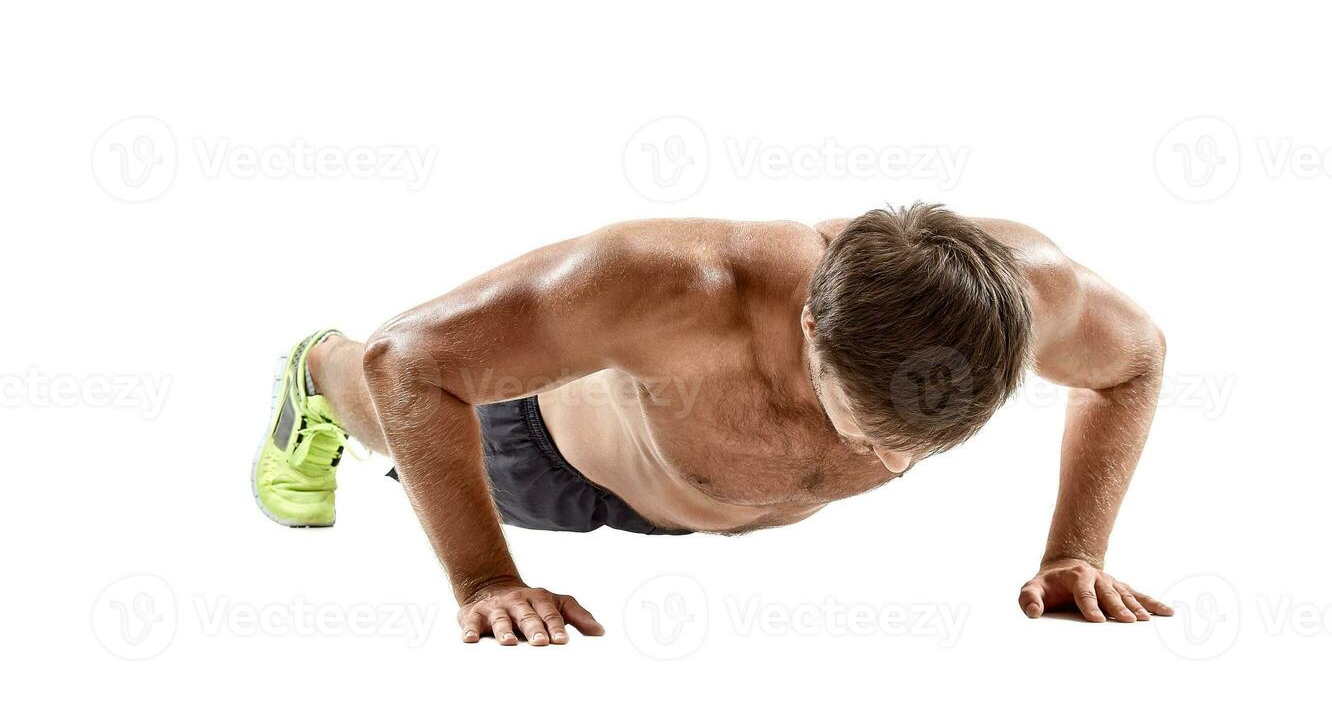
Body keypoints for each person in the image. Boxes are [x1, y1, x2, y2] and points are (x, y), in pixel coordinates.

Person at [252, 204, 1172, 645]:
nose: (891, 460)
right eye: (866, 428)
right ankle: (312, 373)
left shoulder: (1030, 292)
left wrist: (1073, 552)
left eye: (924, 446)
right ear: (810, 322)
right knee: (371, 388)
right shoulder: (669, 280)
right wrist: (485, 579)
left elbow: (1134, 361)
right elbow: (410, 362)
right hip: (538, 458)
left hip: (705, 494)